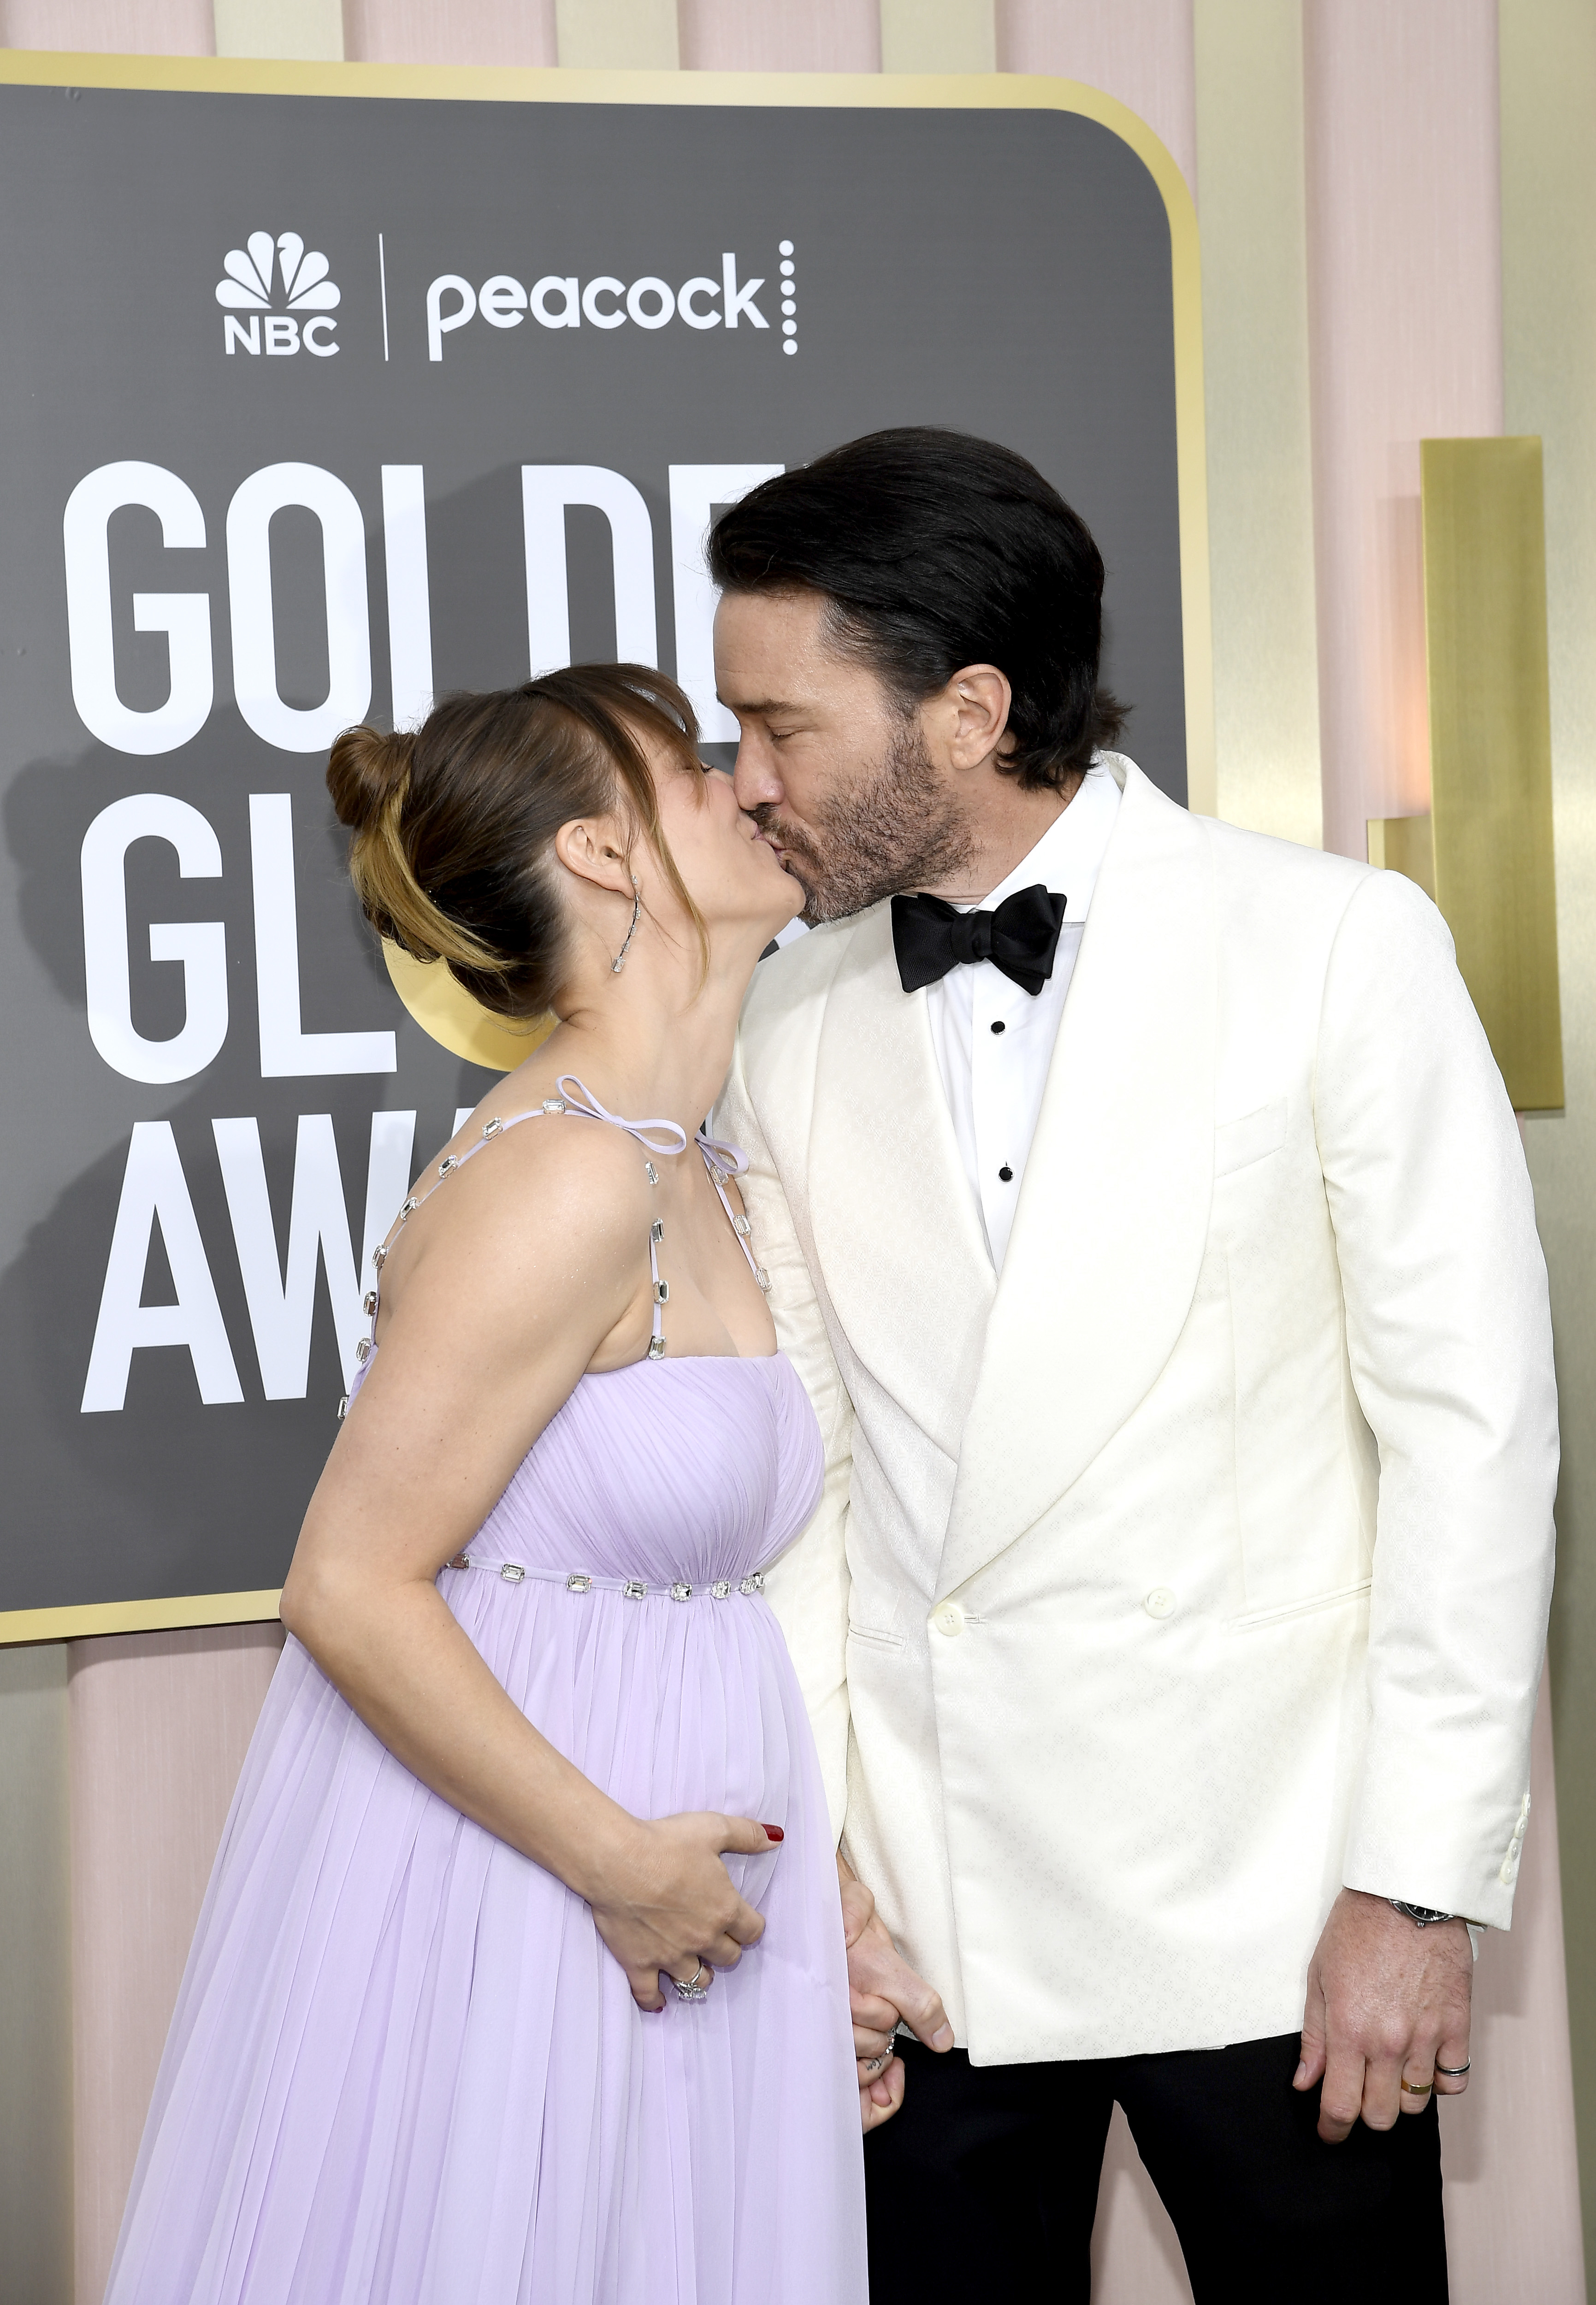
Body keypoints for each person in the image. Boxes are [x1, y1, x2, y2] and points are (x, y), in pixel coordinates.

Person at [708, 428, 1558, 2301]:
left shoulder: (1331, 945)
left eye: (782, 727)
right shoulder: (782, 1020)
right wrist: (824, 1887)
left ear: (965, 709)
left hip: (1274, 1918)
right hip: (934, 1936)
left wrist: (1412, 1888)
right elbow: (814, 1489)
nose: (746, 782)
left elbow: (1468, 1444)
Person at [104, 666, 867, 2305]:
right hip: (537, 1894)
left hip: (687, 1899)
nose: (751, 788)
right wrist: (612, 1858)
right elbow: (348, 1584)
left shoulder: (699, 1159)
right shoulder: (566, 1180)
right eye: (694, 771)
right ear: (602, 855)